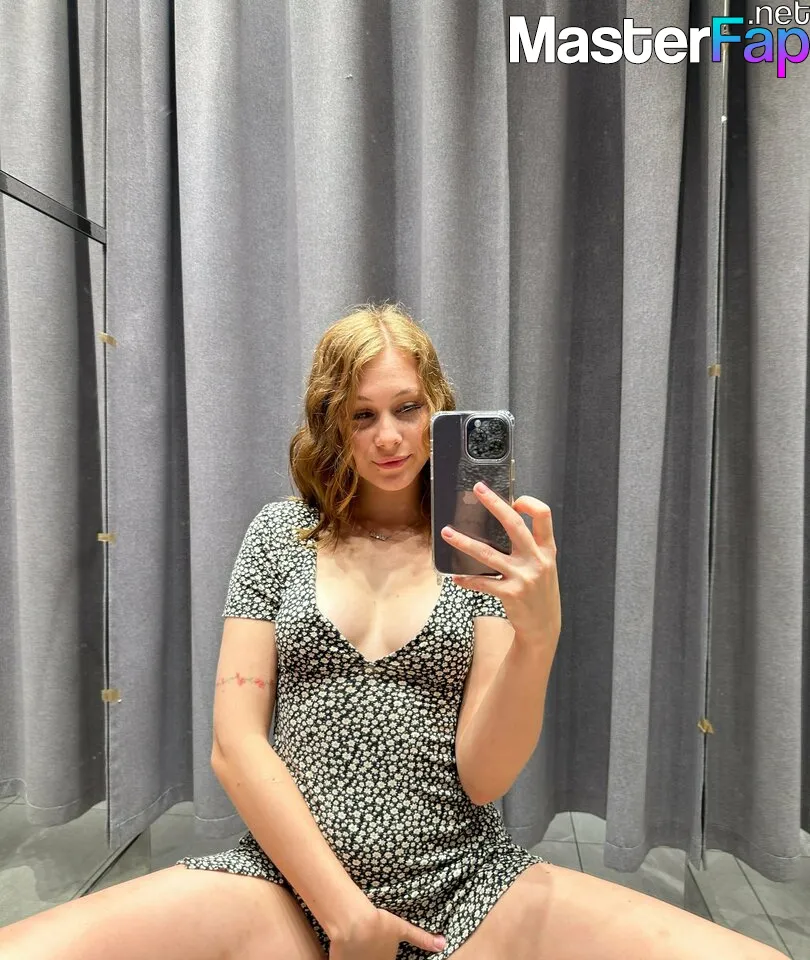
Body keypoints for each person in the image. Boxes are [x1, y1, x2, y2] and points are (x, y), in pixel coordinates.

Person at [0, 303, 785, 960]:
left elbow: (485, 776)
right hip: (285, 884)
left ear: (436, 408)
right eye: (362, 415)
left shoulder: (477, 550)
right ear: (331, 423)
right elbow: (234, 744)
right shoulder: (278, 536)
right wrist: (347, 915)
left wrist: (538, 638)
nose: (388, 437)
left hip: (467, 885)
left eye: (407, 408)